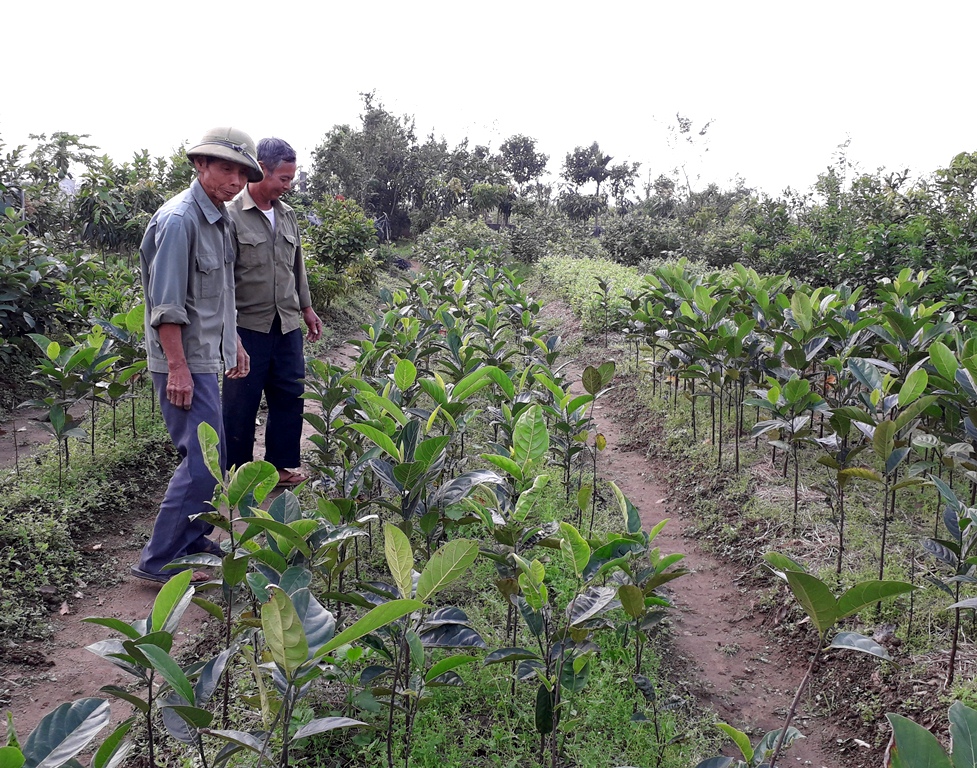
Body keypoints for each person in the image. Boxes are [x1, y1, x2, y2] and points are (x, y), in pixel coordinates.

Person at [134, 127, 262, 584]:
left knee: (215, 455)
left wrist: (236, 343)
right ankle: (159, 559)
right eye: (224, 167)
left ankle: (192, 538)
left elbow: (220, 294)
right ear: (200, 165)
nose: (234, 179)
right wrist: (178, 368)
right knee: (202, 462)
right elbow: (166, 306)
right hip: (184, 360)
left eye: (242, 171)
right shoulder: (180, 219)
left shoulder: (221, 217)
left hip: (209, 354)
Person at [223, 137, 322, 486]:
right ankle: (237, 475)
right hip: (247, 326)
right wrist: (227, 332)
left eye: (291, 179)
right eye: (284, 178)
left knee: (289, 395)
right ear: (262, 169)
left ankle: (280, 467)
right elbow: (222, 278)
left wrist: (307, 309)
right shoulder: (231, 216)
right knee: (240, 403)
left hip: (287, 324)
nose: (288, 186)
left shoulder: (287, 215)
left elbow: (297, 266)